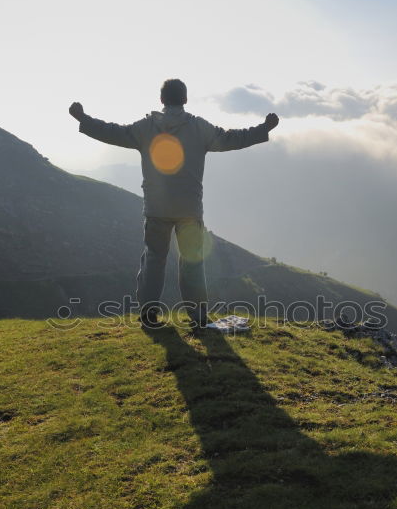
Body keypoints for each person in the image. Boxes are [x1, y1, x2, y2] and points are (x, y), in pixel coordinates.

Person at [69, 79, 279, 330]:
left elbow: (113, 132)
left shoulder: (146, 127)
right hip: (189, 209)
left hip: (157, 208)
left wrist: (83, 119)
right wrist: (264, 128)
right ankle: (198, 316)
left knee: (154, 259)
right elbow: (232, 138)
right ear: (185, 99)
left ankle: (148, 314)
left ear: (161, 100)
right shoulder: (199, 128)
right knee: (192, 262)